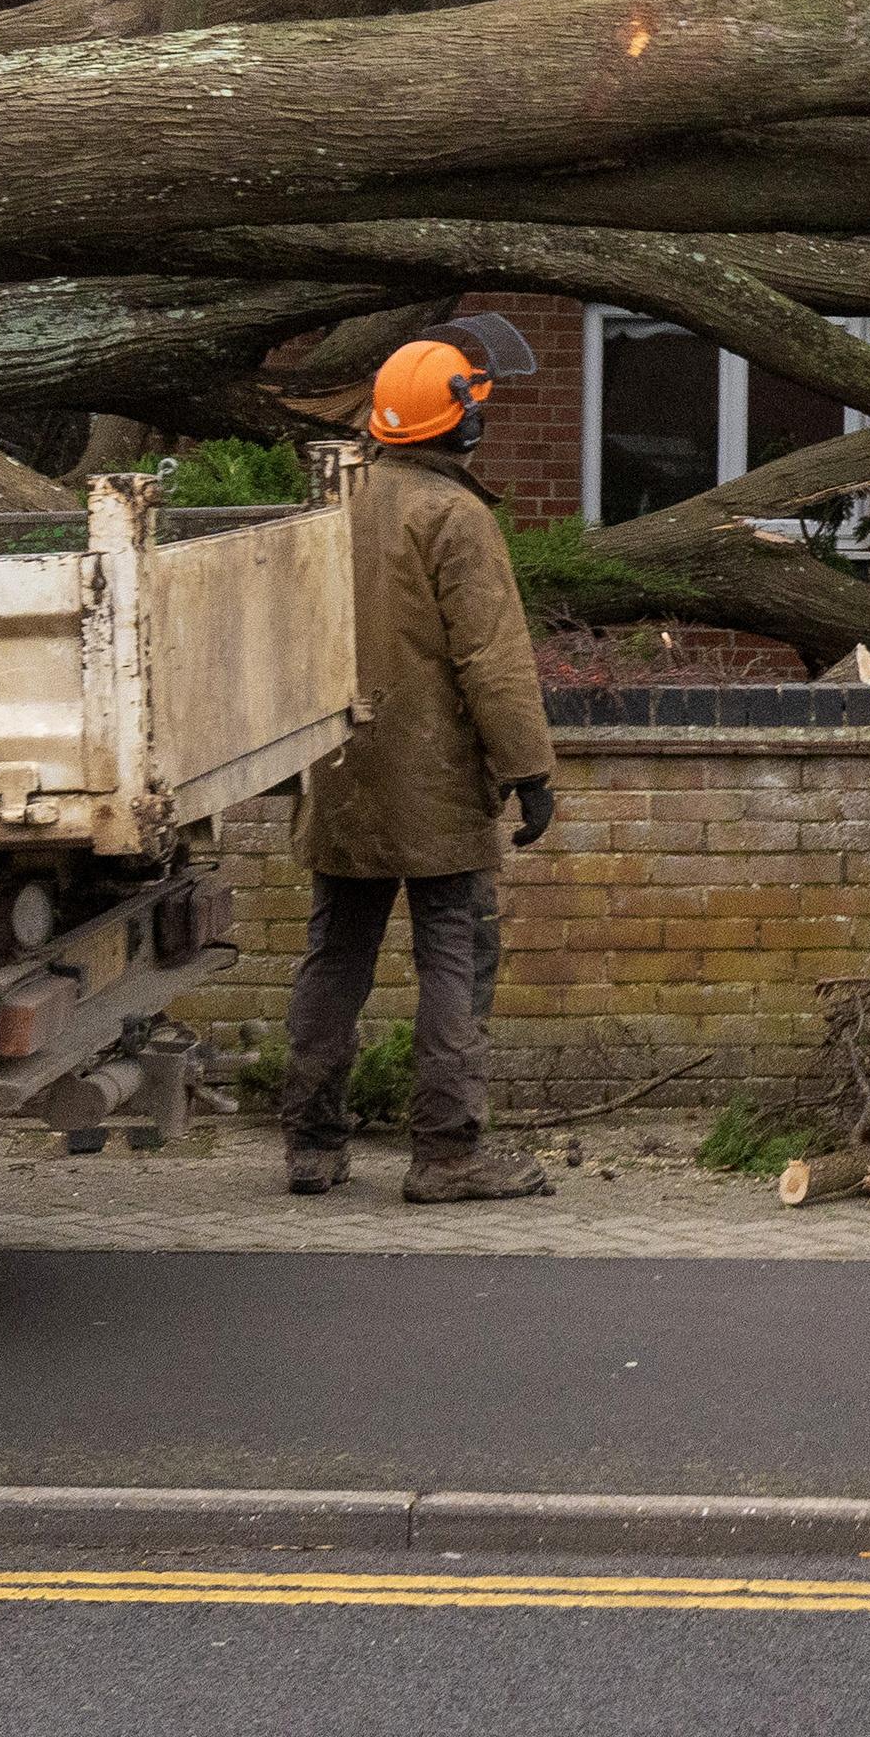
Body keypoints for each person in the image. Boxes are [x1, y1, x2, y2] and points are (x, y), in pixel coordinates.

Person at [283, 320, 566, 1204]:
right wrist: (530, 769)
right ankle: (447, 1154)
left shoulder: (335, 501)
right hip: (435, 788)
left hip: (335, 773)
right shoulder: (456, 516)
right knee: (454, 952)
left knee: (336, 956)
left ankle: (311, 1146)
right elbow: (494, 659)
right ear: (459, 424)